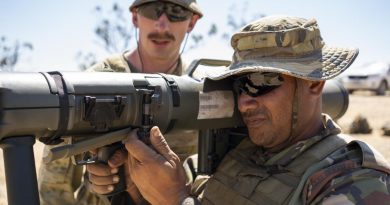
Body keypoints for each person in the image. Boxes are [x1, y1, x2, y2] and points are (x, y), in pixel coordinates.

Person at [122, 16, 390, 204]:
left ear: (313, 84)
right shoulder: (230, 152)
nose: (244, 102)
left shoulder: (354, 180)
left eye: (262, 83)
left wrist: (175, 200)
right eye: (240, 85)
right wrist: (135, 189)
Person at [38, 0, 203, 204]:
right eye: (152, 11)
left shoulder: (201, 93)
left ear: (192, 22)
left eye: (176, 12)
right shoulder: (92, 84)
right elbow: (54, 185)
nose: (162, 25)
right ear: (135, 17)